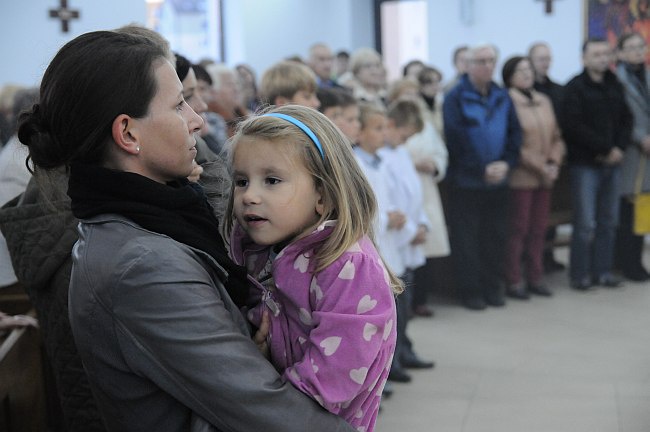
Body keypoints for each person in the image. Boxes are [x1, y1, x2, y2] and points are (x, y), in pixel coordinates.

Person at [14, 30, 357, 432]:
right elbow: (265, 412)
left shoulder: (159, 219)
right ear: (128, 133)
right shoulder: (142, 266)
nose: (197, 120)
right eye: (179, 105)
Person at [224, 105, 398, 432]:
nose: (250, 196)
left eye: (271, 180)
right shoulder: (260, 250)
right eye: (242, 181)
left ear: (323, 194)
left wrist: (259, 388)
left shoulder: (347, 264)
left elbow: (332, 382)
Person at [443, 43, 522, 310]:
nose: (488, 66)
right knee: (468, 241)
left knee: (496, 237)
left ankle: (493, 287)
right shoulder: (455, 96)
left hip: (499, 180)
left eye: (491, 60)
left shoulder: (502, 95)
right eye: (481, 61)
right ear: (468, 64)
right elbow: (455, 139)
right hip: (467, 182)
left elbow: (515, 133)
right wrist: (481, 169)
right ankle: (471, 291)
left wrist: (506, 163)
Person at [561, 38, 633, 290]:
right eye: (596, 54)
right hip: (586, 164)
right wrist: (604, 149)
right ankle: (580, 274)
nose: (602, 58)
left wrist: (619, 148)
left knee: (608, 221)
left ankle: (603, 271)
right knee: (584, 223)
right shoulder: (575, 87)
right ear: (584, 58)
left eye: (606, 54)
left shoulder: (615, 84)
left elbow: (627, 119)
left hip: (613, 163)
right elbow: (573, 126)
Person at [501, 56, 565, 299]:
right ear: (509, 76)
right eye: (520, 70)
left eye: (529, 69)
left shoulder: (543, 100)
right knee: (519, 230)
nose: (527, 74)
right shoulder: (508, 100)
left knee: (539, 229)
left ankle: (536, 277)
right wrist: (541, 166)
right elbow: (515, 143)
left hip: (545, 176)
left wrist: (554, 162)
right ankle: (514, 279)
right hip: (522, 176)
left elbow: (557, 136)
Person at [380, 100, 435, 376]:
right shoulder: (381, 158)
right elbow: (388, 203)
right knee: (397, 306)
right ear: (391, 125)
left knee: (407, 302)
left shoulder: (400, 152)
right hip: (396, 238)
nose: (406, 141)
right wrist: (411, 231)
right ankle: (394, 359)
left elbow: (415, 194)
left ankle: (405, 348)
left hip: (410, 236)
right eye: (405, 135)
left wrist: (422, 225)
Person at [528, 41, 570, 274]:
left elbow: (560, 129)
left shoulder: (558, 90)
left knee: (548, 214)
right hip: (530, 165)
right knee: (526, 222)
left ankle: (548, 256)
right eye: (540, 59)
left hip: (555, 161)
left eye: (548, 58)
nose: (545, 63)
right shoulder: (522, 92)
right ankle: (532, 262)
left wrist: (554, 159)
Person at [614, 32, 650, 281]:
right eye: (631, 47)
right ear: (621, 52)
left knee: (644, 209)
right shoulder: (617, 80)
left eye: (641, 46)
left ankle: (637, 261)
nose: (638, 51)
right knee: (625, 208)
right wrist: (640, 137)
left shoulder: (648, 76)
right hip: (630, 151)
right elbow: (620, 116)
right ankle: (624, 262)